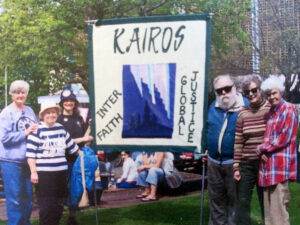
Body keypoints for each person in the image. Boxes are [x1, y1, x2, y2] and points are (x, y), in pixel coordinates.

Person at [202, 74, 248, 225]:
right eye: (219, 91)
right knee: (216, 203)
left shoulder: (246, 107)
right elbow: (207, 129)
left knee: (236, 205)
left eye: (227, 89)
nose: (223, 93)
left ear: (234, 88)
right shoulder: (213, 107)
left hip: (235, 164)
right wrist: (205, 148)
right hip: (214, 163)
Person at [26, 101, 80, 225]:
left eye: (54, 112)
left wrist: (86, 156)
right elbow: (30, 154)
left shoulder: (61, 128)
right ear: (43, 115)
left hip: (60, 174)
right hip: (44, 175)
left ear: (57, 114)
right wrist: (33, 172)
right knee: (46, 207)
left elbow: (73, 148)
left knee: (59, 205)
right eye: (48, 112)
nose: (51, 115)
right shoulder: (36, 130)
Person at [257, 76, 298, 225]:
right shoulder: (271, 112)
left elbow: (284, 137)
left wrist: (262, 148)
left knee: (279, 211)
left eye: (274, 93)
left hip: (280, 167)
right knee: (269, 213)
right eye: (268, 94)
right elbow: (268, 138)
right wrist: (263, 152)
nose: (271, 97)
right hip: (268, 168)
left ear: (280, 92)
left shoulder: (288, 109)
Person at [0, 80, 38, 225]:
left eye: (23, 92)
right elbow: (4, 138)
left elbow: (36, 132)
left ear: (26, 94)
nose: (20, 95)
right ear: (12, 94)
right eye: (17, 92)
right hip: (11, 161)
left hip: (28, 160)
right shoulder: (6, 113)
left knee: (28, 198)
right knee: (15, 198)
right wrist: (25, 133)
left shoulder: (29, 111)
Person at [233, 75, 270, 224]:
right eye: (247, 92)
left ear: (260, 90)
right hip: (246, 165)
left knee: (266, 203)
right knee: (242, 203)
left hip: (265, 164)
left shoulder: (270, 109)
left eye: (254, 90)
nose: (251, 94)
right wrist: (236, 166)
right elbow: (238, 141)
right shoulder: (242, 113)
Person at [57, 89, 93, 225]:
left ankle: (72, 217)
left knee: (75, 187)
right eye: (66, 101)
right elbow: (64, 142)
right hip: (63, 160)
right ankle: (57, 216)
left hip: (77, 159)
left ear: (75, 102)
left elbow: (85, 137)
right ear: (62, 103)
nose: (68, 103)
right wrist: (83, 138)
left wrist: (89, 126)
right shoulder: (59, 120)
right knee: (61, 188)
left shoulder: (78, 118)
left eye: (71, 100)